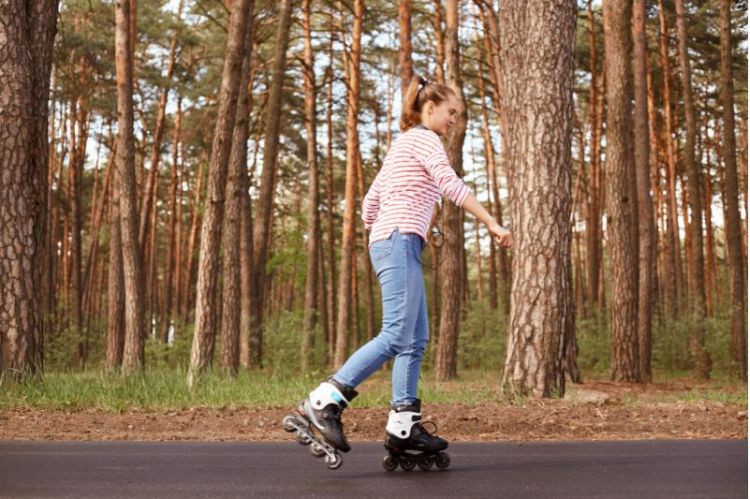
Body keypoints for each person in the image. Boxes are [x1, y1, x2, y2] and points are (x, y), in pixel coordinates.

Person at [295, 75, 513, 460]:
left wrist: (383, 232)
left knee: (415, 338)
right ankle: (324, 400)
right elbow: (451, 184)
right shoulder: (424, 139)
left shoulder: (401, 146)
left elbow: (368, 203)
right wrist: (491, 223)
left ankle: (404, 426)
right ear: (430, 108)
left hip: (395, 239)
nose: (453, 121)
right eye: (451, 112)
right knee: (396, 334)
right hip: (398, 239)